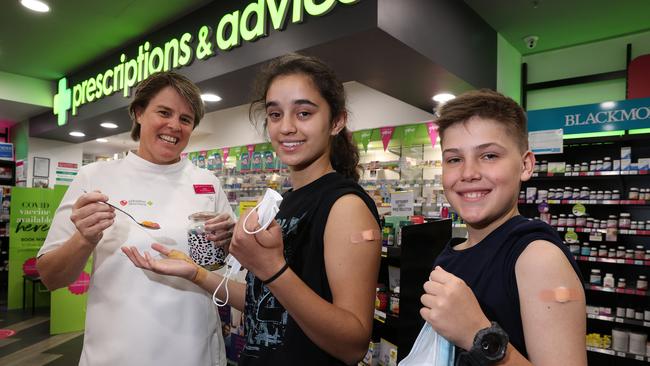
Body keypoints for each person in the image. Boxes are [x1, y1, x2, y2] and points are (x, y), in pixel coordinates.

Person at [122, 54, 381, 365]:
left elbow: (353, 344)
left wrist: (272, 268)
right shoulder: (287, 201)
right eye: (275, 114)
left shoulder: (345, 206)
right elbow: (266, 302)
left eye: (303, 113)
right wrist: (196, 273)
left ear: (336, 121)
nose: (286, 127)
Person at [37, 71, 235, 366]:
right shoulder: (95, 178)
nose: (174, 126)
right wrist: (84, 238)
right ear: (139, 112)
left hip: (195, 351)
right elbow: (51, 276)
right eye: (164, 112)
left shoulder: (207, 182)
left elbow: (227, 269)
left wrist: (229, 243)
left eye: (185, 119)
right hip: (115, 353)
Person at [419, 89, 586, 365]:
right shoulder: (454, 252)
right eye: (454, 159)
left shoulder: (538, 259)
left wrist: (478, 334)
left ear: (525, 165)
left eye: (489, 156)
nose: (468, 173)